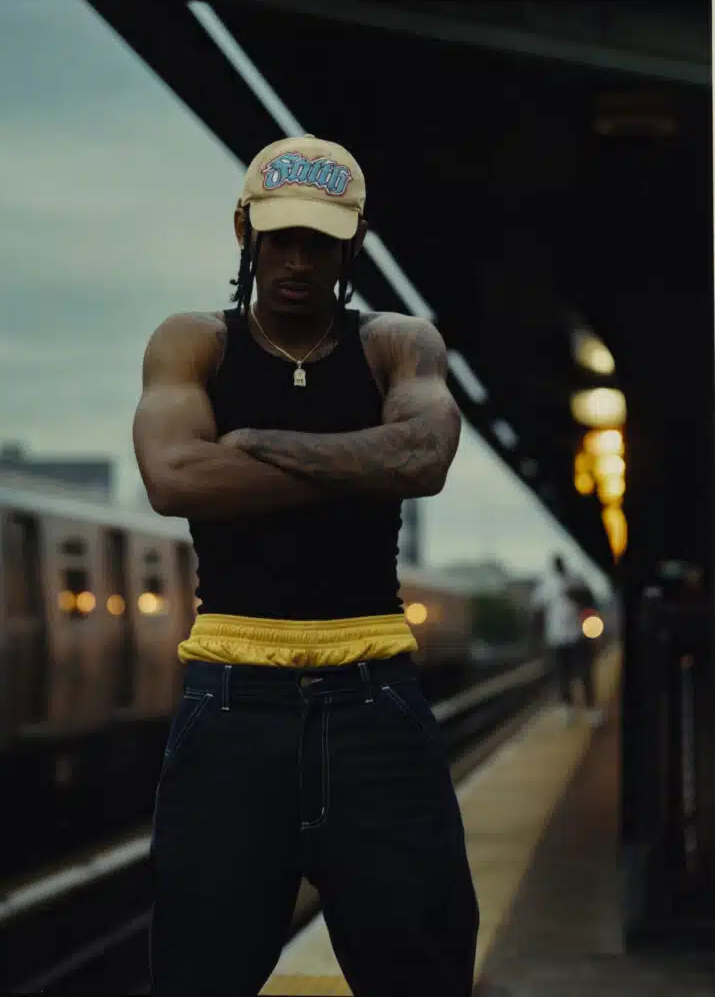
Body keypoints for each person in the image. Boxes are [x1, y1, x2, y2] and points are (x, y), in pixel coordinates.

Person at [133, 134, 479, 997]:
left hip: (375, 697)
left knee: (421, 971)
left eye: (318, 241)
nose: (296, 260)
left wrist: (250, 447)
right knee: (197, 975)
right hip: (229, 700)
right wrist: (359, 463)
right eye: (280, 237)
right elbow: (175, 479)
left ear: (352, 242)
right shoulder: (192, 342)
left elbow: (425, 460)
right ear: (244, 230)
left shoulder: (397, 342)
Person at [530, 554, 603, 727]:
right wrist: (537, 637)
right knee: (562, 675)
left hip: (578, 634)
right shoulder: (546, 585)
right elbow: (538, 611)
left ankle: (591, 709)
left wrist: (575, 594)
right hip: (556, 637)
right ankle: (567, 709)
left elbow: (590, 601)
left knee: (585, 672)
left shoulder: (576, 580)